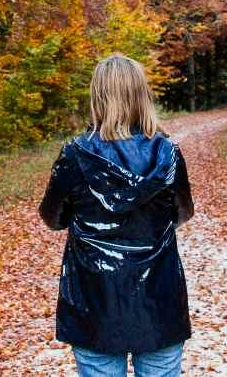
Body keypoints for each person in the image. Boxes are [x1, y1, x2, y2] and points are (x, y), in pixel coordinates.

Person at [38, 53, 194, 377]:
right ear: (142, 96)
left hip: (94, 301)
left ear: (97, 97)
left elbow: (53, 218)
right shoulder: (168, 153)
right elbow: (182, 214)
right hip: (158, 300)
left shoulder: (75, 155)